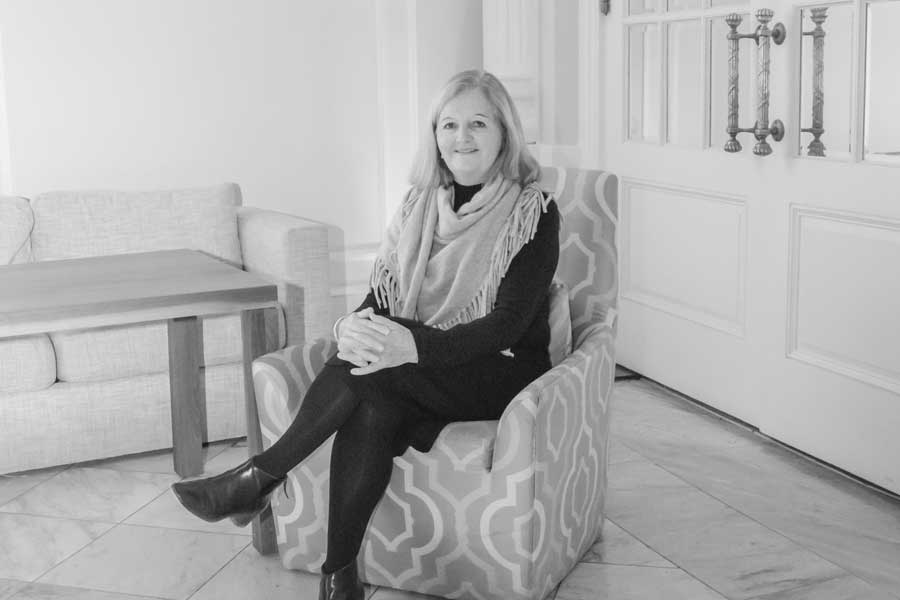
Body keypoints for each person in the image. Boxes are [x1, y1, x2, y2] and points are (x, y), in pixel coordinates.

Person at [171, 69, 560, 600]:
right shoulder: (418, 206)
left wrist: (409, 345)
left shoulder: (533, 212)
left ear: (504, 133)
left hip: (503, 371)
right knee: (372, 396)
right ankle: (339, 578)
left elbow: (506, 326)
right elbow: (382, 298)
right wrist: (348, 326)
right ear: (435, 135)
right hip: (425, 366)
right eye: (449, 125)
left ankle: (260, 478)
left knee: (378, 368)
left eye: (478, 123)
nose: (462, 138)